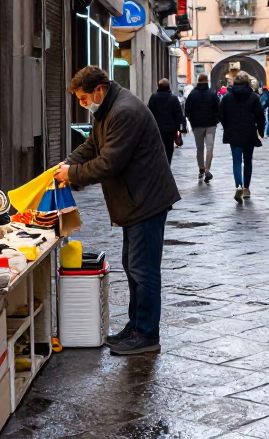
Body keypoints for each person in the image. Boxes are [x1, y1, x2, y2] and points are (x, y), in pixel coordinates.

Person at [56, 66, 180, 356]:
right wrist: (66, 164)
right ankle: (135, 327)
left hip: (145, 200)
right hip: (134, 200)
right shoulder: (108, 109)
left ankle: (147, 335)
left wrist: (72, 174)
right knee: (132, 265)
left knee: (143, 270)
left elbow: (108, 162)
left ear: (99, 90)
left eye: (84, 98)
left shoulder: (124, 112)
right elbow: (92, 146)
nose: (83, 104)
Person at [218, 71, 265, 202]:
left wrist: (227, 126)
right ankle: (246, 188)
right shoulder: (254, 97)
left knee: (236, 160)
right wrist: (260, 131)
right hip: (249, 132)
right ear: (248, 82)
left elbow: (221, 114)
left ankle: (238, 185)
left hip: (233, 132)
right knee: (248, 161)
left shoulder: (227, 97)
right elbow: (260, 116)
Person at [184, 73, 220, 182]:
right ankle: (207, 169)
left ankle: (201, 168)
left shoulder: (192, 94)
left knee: (199, 148)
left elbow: (187, 110)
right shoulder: (212, 94)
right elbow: (218, 109)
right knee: (210, 148)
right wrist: (216, 120)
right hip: (210, 125)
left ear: (198, 81)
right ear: (207, 81)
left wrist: (192, 121)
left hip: (197, 125)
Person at [148, 78, 185, 164]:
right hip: (170, 129)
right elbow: (178, 114)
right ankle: (168, 164)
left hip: (157, 128)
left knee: (158, 148)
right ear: (168, 86)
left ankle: (161, 164)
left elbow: (150, 112)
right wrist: (180, 127)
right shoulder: (173, 98)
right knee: (169, 149)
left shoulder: (153, 97)